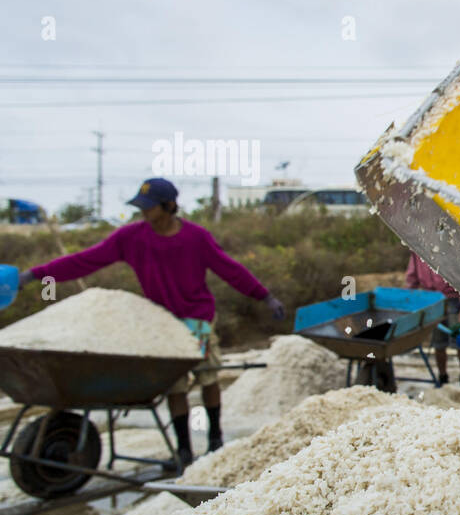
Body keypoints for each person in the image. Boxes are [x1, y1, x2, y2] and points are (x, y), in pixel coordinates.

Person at [17, 178, 284, 465]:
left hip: (197, 317)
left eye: (149, 206)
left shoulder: (196, 238)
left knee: (208, 375)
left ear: (168, 206)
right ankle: (183, 449)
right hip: (162, 321)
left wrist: (264, 296)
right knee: (175, 384)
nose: (143, 212)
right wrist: (36, 274)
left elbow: (230, 269)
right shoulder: (131, 238)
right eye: (140, 206)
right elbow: (85, 260)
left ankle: (215, 439)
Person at [405, 251, 460, 387]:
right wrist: (409, 298)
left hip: (453, 298)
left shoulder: (446, 247)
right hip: (432, 299)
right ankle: (443, 376)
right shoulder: (417, 251)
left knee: (459, 339)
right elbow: (412, 276)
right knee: (438, 343)